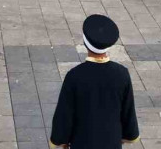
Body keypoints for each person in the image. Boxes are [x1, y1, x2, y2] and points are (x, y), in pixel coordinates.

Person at [50, 15, 140, 148]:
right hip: (111, 141)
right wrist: (129, 134)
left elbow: (65, 114)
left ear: (85, 44)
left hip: (83, 141)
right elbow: (128, 110)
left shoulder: (74, 76)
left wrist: (60, 139)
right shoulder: (122, 73)